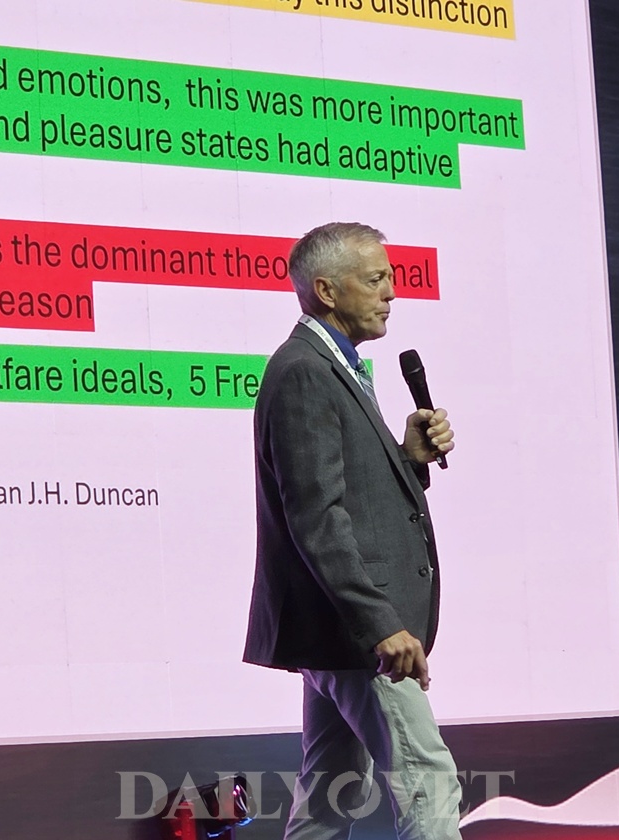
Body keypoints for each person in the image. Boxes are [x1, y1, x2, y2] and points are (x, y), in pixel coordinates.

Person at [243, 222, 461, 840]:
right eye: (375, 280)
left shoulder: (329, 365)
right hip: (354, 631)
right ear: (327, 290)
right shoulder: (305, 371)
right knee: (428, 780)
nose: (391, 292)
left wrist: (409, 460)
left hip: (336, 629)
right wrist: (378, 623)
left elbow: (353, 497)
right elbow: (316, 515)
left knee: (329, 796)